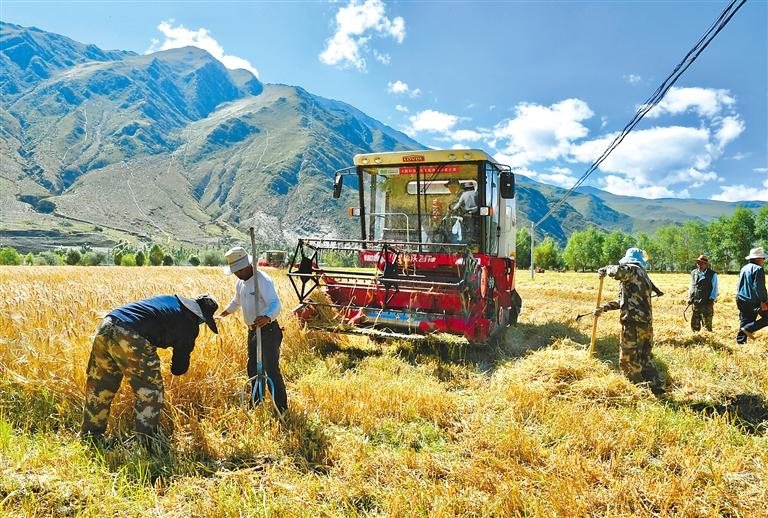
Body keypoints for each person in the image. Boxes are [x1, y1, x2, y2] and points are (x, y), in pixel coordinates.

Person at [81, 294, 219, 445]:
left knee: (100, 386)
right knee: (150, 391)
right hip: (130, 334)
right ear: (200, 316)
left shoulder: (171, 301)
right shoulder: (190, 323)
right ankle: (146, 443)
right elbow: (179, 368)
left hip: (107, 324)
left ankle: (91, 437)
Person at [217, 246, 286, 412]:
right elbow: (236, 302)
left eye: (238, 270)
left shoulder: (262, 280)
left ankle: (281, 408)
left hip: (268, 330)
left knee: (271, 369)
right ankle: (256, 402)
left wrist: (267, 317)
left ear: (247, 266)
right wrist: (222, 315)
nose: (236, 274)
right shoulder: (240, 283)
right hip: (253, 331)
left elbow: (275, 303)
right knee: (253, 368)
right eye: (234, 271)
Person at [595, 247, 664, 394]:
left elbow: (617, 271)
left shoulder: (632, 269)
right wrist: (604, 307)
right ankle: (657, 388)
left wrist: (606, 269)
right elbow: (623, 301)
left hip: (633, 324)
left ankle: (638, 392)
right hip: (645, 325)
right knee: (644, 359)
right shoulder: (643, 275)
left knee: (628, 361)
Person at [736, 247, 768, 343]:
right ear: (758, 259)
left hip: (741, 299)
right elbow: (759, 287)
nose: (763, 260)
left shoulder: (744, 268)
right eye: (763, 258)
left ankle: (740, 342)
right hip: (753, 301)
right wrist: (764, 301)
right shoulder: (758, 269)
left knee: (745, 320)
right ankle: (749, 328)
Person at [688, 255, 718, 332]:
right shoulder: (694, 273)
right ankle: (696, 335)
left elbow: (715, 288)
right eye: (698, 263)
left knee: (707, 323)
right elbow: (692, 286)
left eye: (701, 263)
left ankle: (707, 335)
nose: (699, 265)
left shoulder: (712, 274)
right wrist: (690, 297)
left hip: (707, 301)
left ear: (706, 265)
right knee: (695, 322)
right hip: (696, 301)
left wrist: (712, 298)